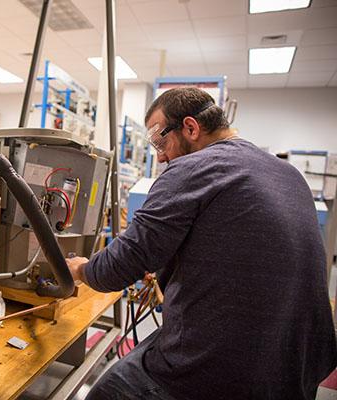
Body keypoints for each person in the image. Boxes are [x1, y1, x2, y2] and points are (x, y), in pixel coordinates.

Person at [67, 87, 337, 399]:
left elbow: (117, 268)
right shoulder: (289, 174)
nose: (161, 155)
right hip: (298, 370)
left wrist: (83, 268)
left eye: (160, 141)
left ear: (191, 128)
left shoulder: (193, 168)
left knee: (107, 390)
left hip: (228, 373)